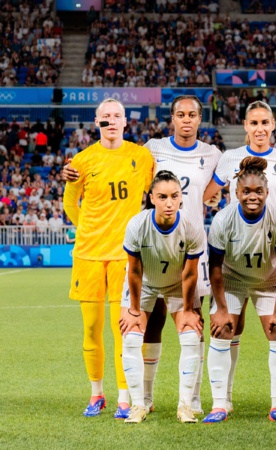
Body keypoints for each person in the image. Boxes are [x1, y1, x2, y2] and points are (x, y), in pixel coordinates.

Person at [62, 96, 223, 416]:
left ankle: (161, 399)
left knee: (164, 324)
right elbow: (79, 195)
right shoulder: (112, 155)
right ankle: (119, 396)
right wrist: (84, 219)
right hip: (119, 252)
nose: (187, 119)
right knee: (119, 327)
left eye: (193, 114)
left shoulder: (189, 154)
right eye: (180, 114)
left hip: (161, 250)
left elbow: (215, 179)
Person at [205, 100, 276, 417]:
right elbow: (206, 195)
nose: (259, 128)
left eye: (265, 122)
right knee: (226, 329)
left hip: (270, 259)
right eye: (253, 123)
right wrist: (220, 207)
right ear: (245, 126)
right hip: (234, 261)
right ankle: (221, 401)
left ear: (273, 125)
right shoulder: (229, 159)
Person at [63, 98, 154, 418]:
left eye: (117, 116)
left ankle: (125, 397)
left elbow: (154, 194)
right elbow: (70, 204)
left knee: (125, 330)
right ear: (96, 121)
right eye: (105, 117)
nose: (111, 121)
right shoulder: (81, 161)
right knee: (91, 328)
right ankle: (96, 393)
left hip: (125, 257)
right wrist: (87, 230)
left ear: (126, 121)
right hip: (88, 255)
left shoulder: (141, 157)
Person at [203, 157, 276, 423]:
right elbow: (216, 268)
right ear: (236, 193)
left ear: (267, 192)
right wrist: (220, 309)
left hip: (268, 280)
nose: (252, 196)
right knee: (223, 329)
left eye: (258, 191)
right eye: (246, 191)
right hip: (232, 279)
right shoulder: (223, 219)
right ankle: (221, 403)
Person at [119, 170, 205, 423]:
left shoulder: (191, 227)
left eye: (174, 196)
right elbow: (134, 270)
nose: (169, 203)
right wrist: (134, 309)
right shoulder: (137, 224)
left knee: (191, 335)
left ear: (181, 198)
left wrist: (188, 310)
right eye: (163, 197)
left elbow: (190, 275)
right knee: (132, 336)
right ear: (152, 198)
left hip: (177, 284)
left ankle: (185, 406)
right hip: (144, 284)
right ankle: (139, 405)